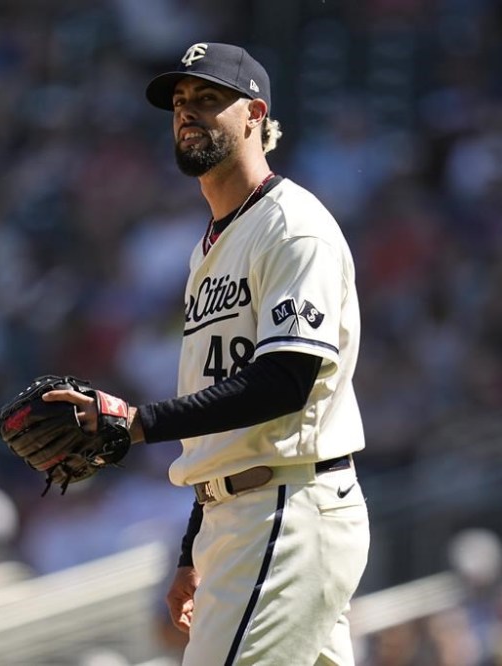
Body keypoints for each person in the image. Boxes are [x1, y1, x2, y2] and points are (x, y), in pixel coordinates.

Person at [45, 42, 370, 665]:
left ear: (255, 114)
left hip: (286, 508)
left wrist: (137, 425)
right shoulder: (210, 249)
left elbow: (285, 381)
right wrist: (195, 546)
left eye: (208, 99)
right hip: (242, 515)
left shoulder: (291, 226)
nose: (187, 112)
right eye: (179, 102)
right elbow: (222, 420)